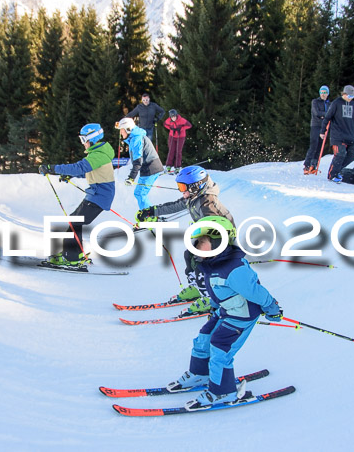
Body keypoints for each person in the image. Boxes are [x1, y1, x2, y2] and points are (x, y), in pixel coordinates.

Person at [165, 216, 283, 411]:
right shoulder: (212, 264)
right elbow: (217, 291)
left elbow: (256, 292)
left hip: (242, 315)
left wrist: (272, 309)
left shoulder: (234, 269)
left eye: (202, 242)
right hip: (226, 310)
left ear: (219, 242)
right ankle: (200, 374)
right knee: (204, 337)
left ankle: (223, 391)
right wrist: (210, 304)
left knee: (221, 346)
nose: (196, 246)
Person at [136, 165, 233, 316]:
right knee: (189, 256)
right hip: (208, 236)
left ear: (197, 186)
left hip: (220, 238)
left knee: (202, 263)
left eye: (183, 187)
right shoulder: (194, 197)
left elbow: (216, 224)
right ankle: (196, 287)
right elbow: (175, 206)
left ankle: (210, 298)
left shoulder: (207, 201)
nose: (181, 190)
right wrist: (151, 211)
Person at [38, 123, 115, 268]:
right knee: (75, 221)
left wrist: (52, 168)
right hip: (97, 193)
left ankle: (72, 257)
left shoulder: (98, 154)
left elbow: (79, 167)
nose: (82, 143)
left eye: (83, 139)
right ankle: (74, 253)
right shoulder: (99, 152)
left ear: (91, 139)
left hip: (100, 195)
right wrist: (70, 176)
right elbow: (86, 170)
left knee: (74, 222)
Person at [115, 117, 164, 211]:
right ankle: (147, 215)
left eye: (122, 130)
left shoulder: (136, 139)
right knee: (139, 193)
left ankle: (149, 216)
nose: (121, 133)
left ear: (128, 129)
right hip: (148, 168)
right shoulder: (134, 137)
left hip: (151, 168)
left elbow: (138, 161)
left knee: (140, 193)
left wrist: (131, 177)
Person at [321, 85, 354, 183]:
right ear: (344, 94)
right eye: (350, 96)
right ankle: (332, 175)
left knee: (353, 154)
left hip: (350, 135)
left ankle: (337, 170)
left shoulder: (353, 105)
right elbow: (327, 117)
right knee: (340, 153)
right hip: (338, 135)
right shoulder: (336, 103)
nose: (351, 98)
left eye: (352, 96)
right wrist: (322, 131)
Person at [304, 85, 330, 174]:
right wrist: (325, 114)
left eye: (325, 92)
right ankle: (306, 165)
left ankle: (313, 165)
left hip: (324, 127)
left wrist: (324, 115)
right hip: (316, 125)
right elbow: (316, 113)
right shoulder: (315, 101)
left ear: (327, 94)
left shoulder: (329, 104)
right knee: (314, 145)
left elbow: (331, 114)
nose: (323, 94)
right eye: (322, 92)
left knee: (319, 146)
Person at [163, 109, 192, 174]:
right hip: (172, 136)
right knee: (171, 151)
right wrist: (170, 128)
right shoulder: (169, 120)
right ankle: (168, 166)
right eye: (172, 117)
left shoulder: (181, 120)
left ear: (176, 115)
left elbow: (189, 125)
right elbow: (165, 124)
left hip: (180, 137)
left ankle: (177, 167)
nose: (173, 118)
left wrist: (181, 129)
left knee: (178, 151)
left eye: (174, 116)